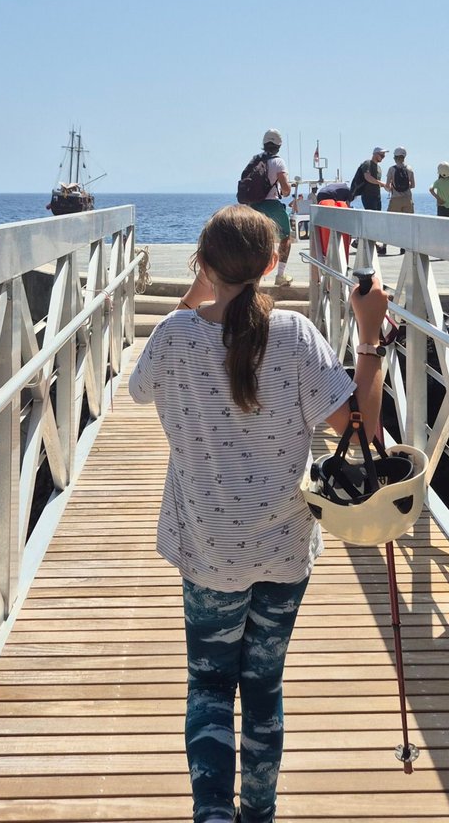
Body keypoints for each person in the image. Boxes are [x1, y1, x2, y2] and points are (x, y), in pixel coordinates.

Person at [130, 206, 391, 823]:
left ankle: (213, 815)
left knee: (211, 686)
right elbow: (364, 430)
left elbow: (139, 390)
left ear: (202, 263)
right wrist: (369, 334)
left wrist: (197, 290)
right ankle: (259, 814)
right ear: (276, 264)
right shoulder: (298, 336)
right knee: (263, 686)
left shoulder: (173, 338)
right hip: (283, 547)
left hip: (206, 546)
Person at [248, 128, 296, 288]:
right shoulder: (278, 162)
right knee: (285, 238)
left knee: (256, 240)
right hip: (271, 204)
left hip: (253, 205)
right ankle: (280, 276)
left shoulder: (255, 160)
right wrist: (286, 189)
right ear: (279, 145)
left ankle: (252, 278)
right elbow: (286, 189)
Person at [348, 146, 391, 255]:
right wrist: (382, 183)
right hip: (368, 196)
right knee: (371, 218)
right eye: (381, 155)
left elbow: (375, 182)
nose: (383, 157)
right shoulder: (367, 163)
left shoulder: (379, 168)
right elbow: (367, 177)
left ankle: (366, 241)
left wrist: (386, 186)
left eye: (384, 155)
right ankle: (361, 241)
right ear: (375, 154)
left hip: (377, 196)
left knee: (375, 219)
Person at [386, 148, 416, 214]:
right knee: (408, 222)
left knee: (392, 221)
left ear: (395, 157)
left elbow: (387, 186)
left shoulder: (391, 169)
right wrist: (405, 186)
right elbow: (413, 185)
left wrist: (392, 188)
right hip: (408, 199)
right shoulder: (409, 168)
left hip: (395, 199)